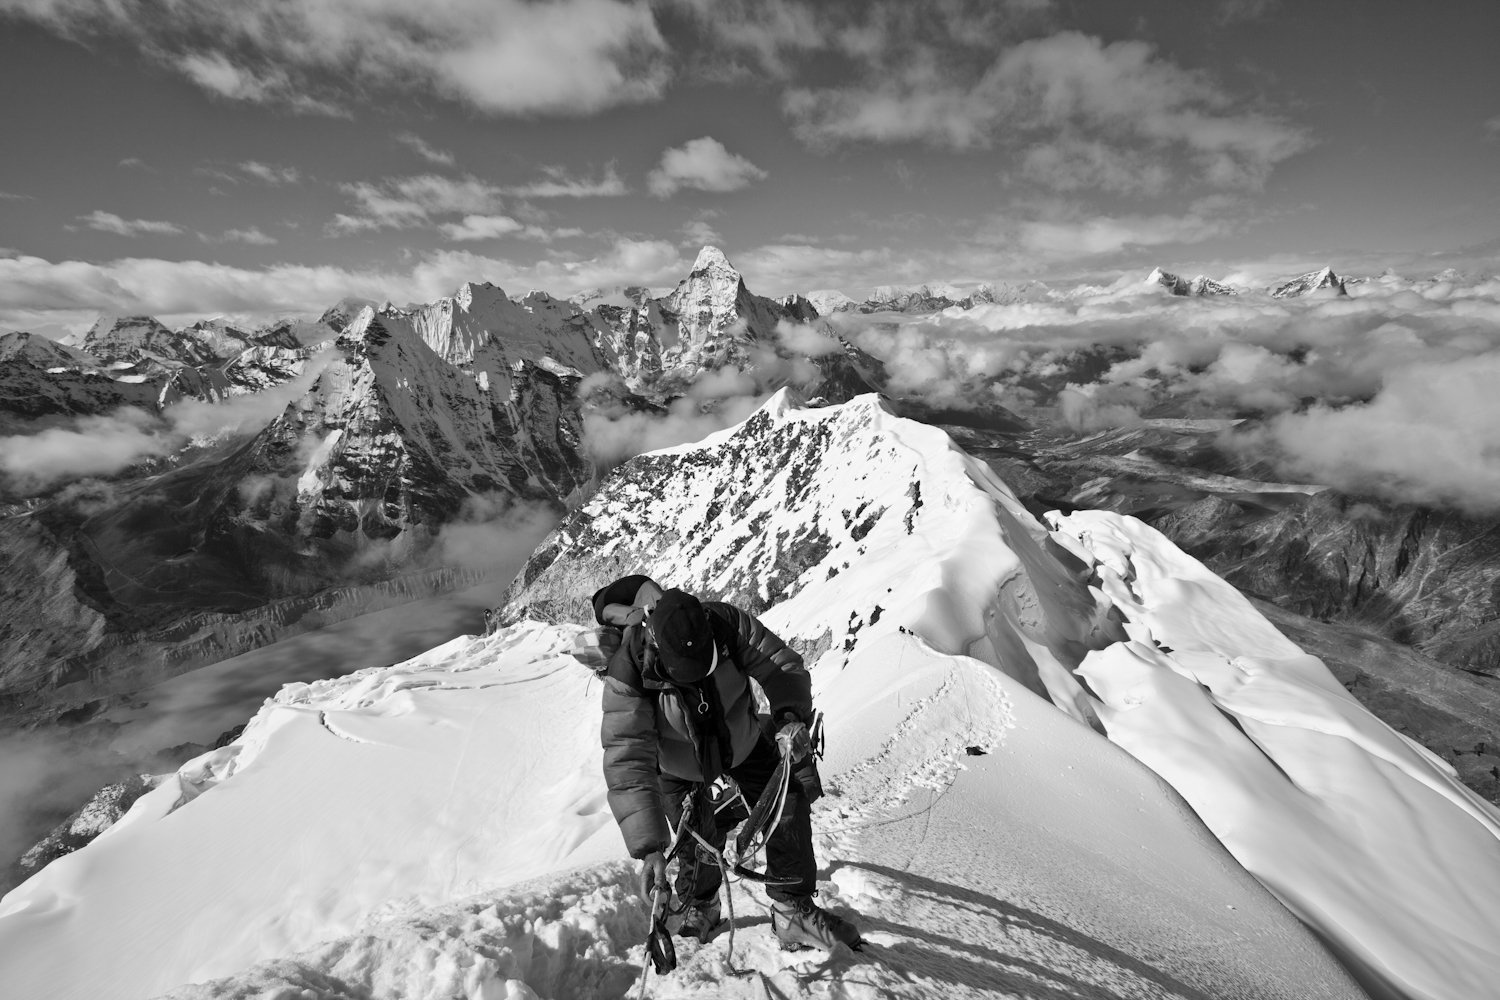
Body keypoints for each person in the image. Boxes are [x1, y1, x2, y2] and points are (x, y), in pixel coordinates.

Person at [600, 587, 861, 951]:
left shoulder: (726, 624)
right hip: (678, 767)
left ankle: (792, 911)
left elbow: (781, 665)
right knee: (696, 842)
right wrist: (649, 848)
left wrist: (788, 717)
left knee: (786, 807)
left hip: (744, 744)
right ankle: (702, 904)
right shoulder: (631, 667)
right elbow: (627, 756)